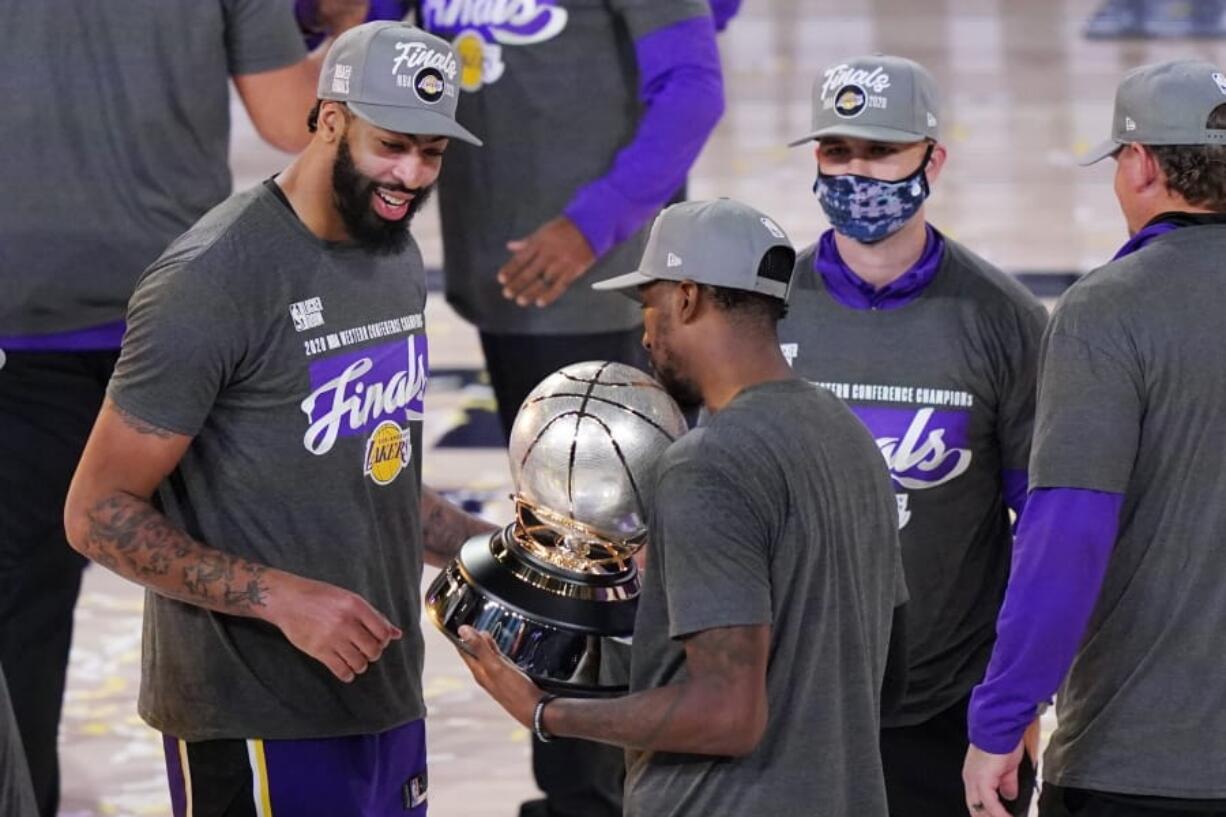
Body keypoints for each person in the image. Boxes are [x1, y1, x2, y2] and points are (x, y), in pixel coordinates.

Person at [62, 22, 495, 815]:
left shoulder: (390, 251)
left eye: (432, 154)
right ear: (329, 118)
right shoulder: (213, 277)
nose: (410, 175)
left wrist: (493, 551)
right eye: (392, 144)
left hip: (381, 695)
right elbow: (96, 514)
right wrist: (279, 597)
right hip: (252, 716)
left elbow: (369, 475)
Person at [0, 3, 368, 814]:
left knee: (15, 622)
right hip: (186, 316)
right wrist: (345, 32)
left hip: (36, 326)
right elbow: (289, 120)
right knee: (237, 602)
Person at [455, 198, 908, 817]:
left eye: (650, 304)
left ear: (688, 297)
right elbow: (893, 671)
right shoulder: (847, 434)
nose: (645, 334)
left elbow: (727, 716)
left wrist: (545, 712)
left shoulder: (707, 463)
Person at [414, 4, 725, 813]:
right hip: (505, 285)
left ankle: (627, 789)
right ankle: (571, 784)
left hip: (600, 288)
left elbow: (692, 88)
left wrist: (593, 225)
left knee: (621, 565)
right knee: (550, 557)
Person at [778, 55, 1048, 816]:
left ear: (934, 159)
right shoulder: (769, 309)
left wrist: (1020, 695)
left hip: (948, 708)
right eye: (837, 151)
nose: (857, 172)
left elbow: (1045, 523)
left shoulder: (1006, 319)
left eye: (880, 151)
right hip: (797, 697)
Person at [964, 59, 1226, 817]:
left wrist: (1002, 719)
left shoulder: (1109, 311)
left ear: (1141, 165)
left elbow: (1068, 536)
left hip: (1141, 764)